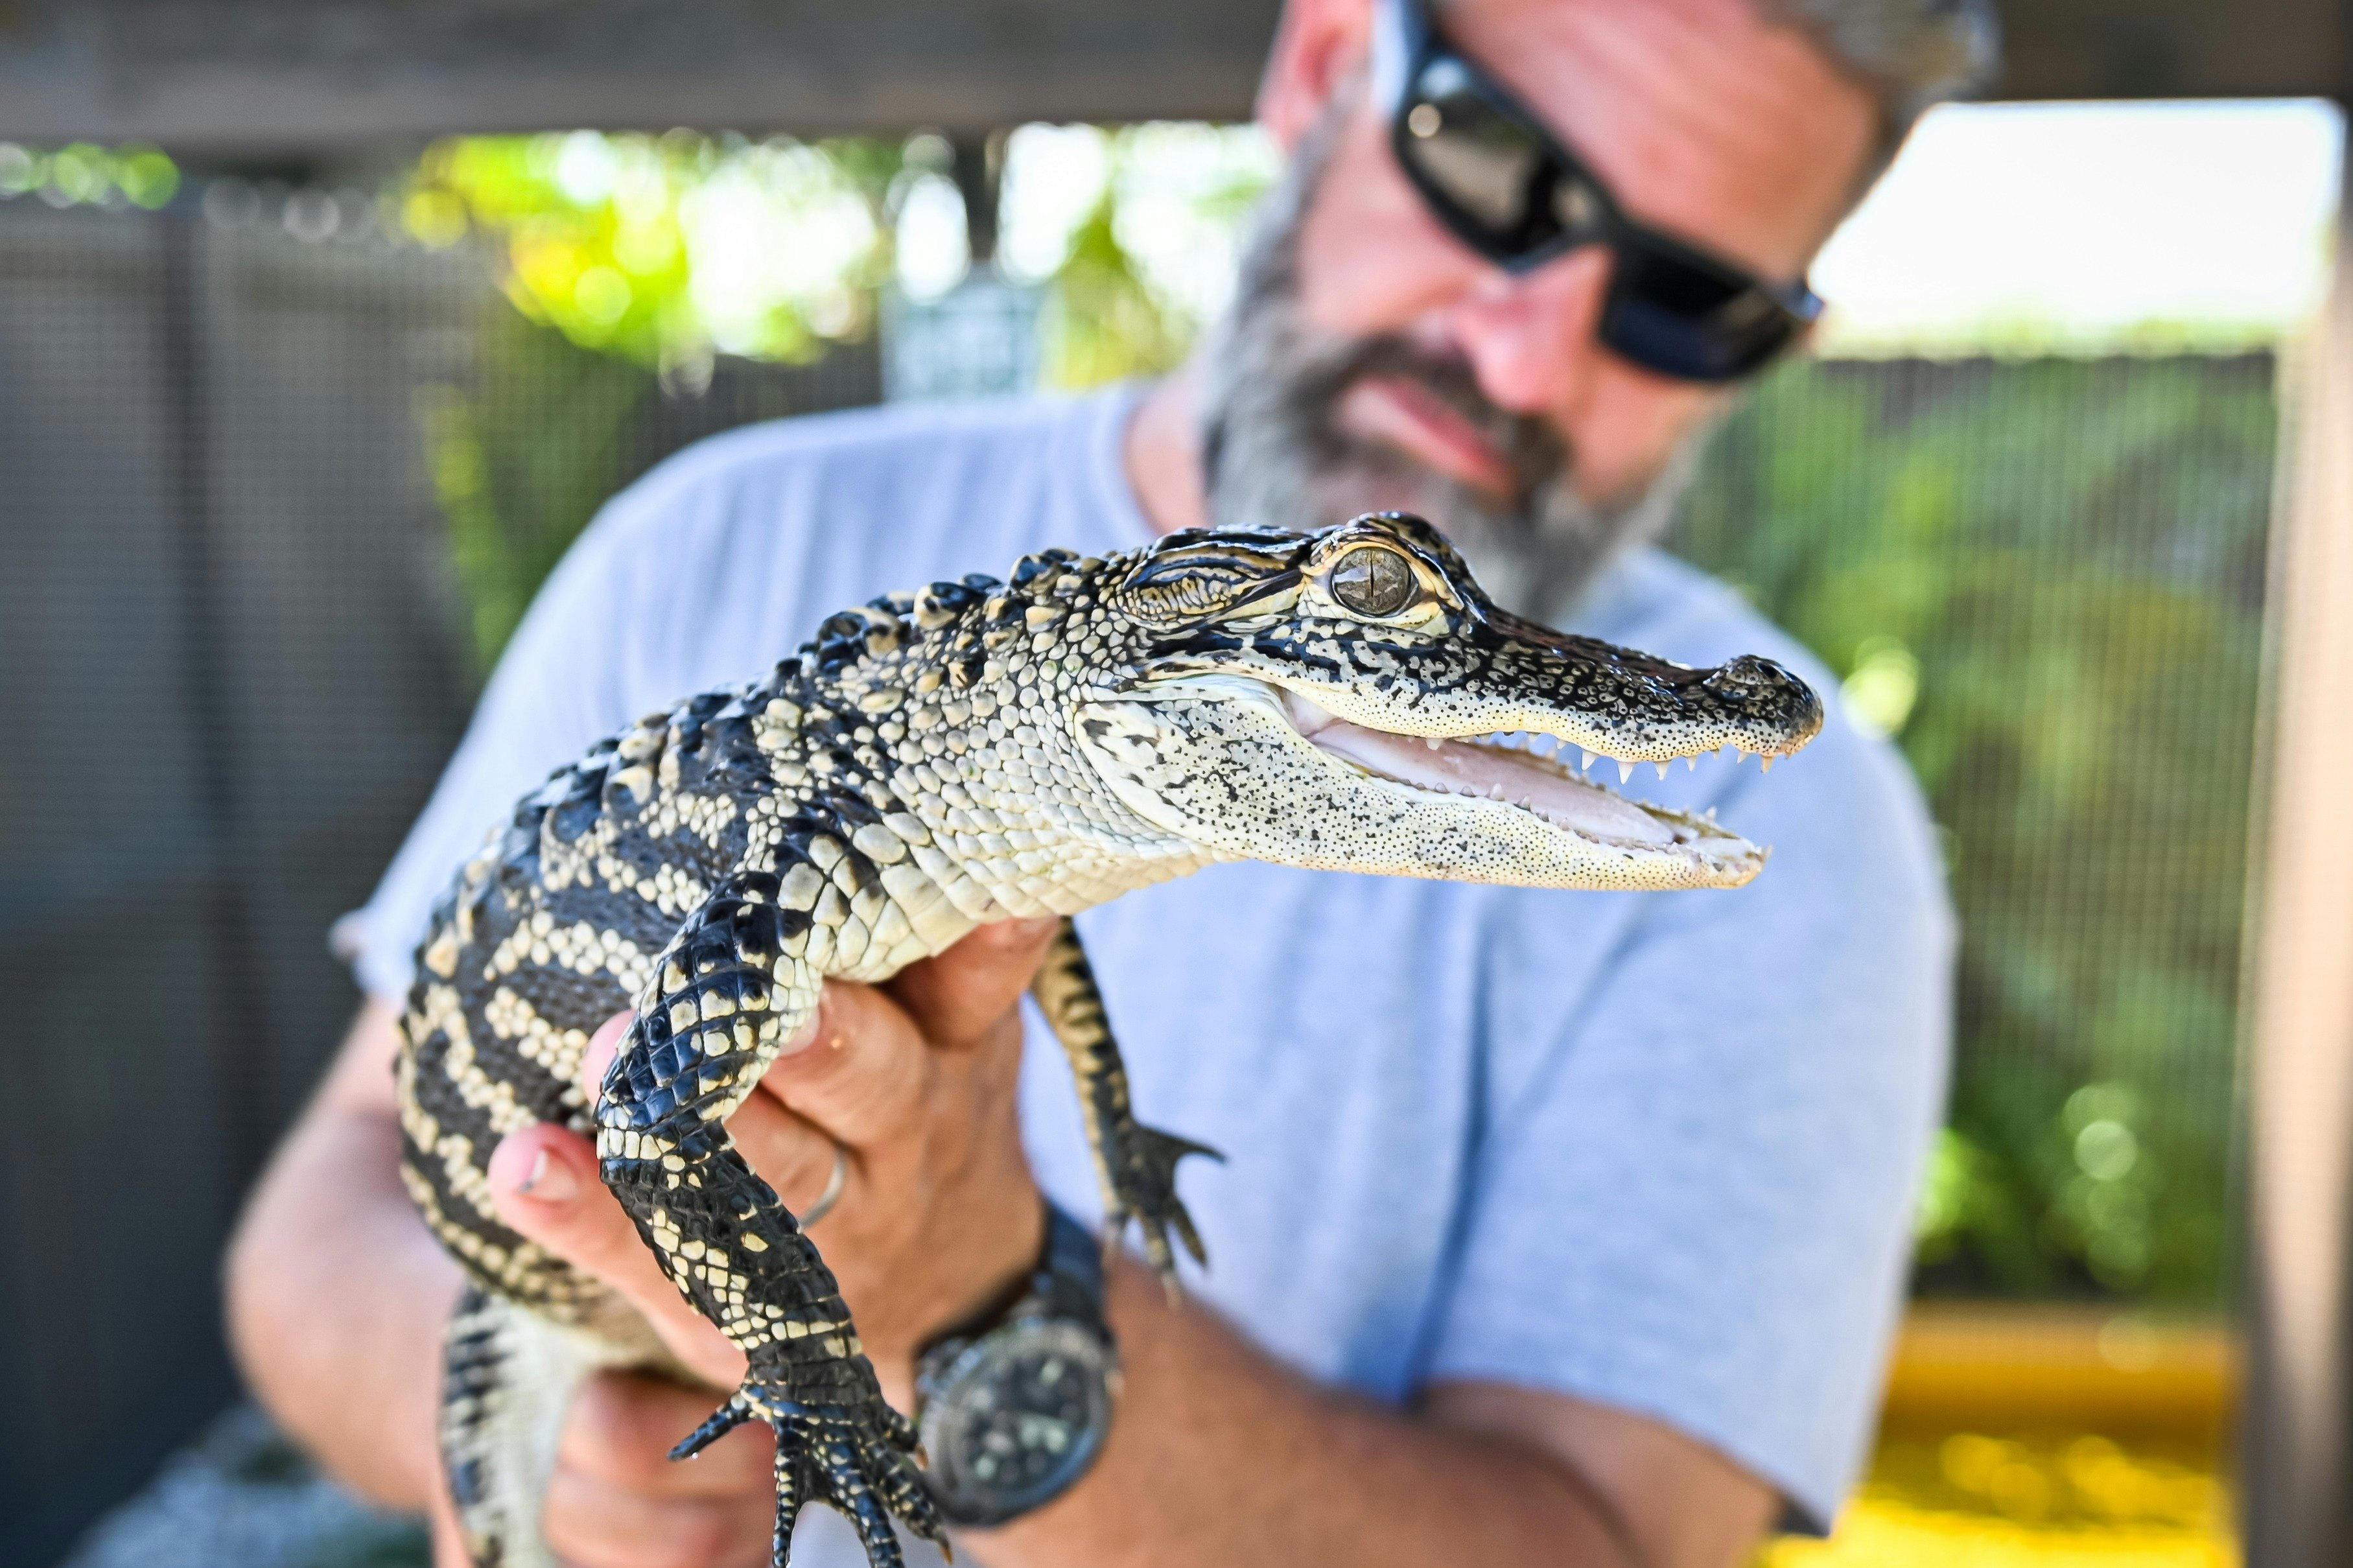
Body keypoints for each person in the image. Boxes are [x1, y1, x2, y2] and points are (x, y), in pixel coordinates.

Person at [227, 0, 1991, 1562]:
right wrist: (575, 1455)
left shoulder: (1799, 828)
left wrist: (976, 1288)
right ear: (1320, 67)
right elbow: (339, 1206)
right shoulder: (708, 549)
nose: (1526, 348)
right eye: (1499, 166)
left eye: (1692, 302)